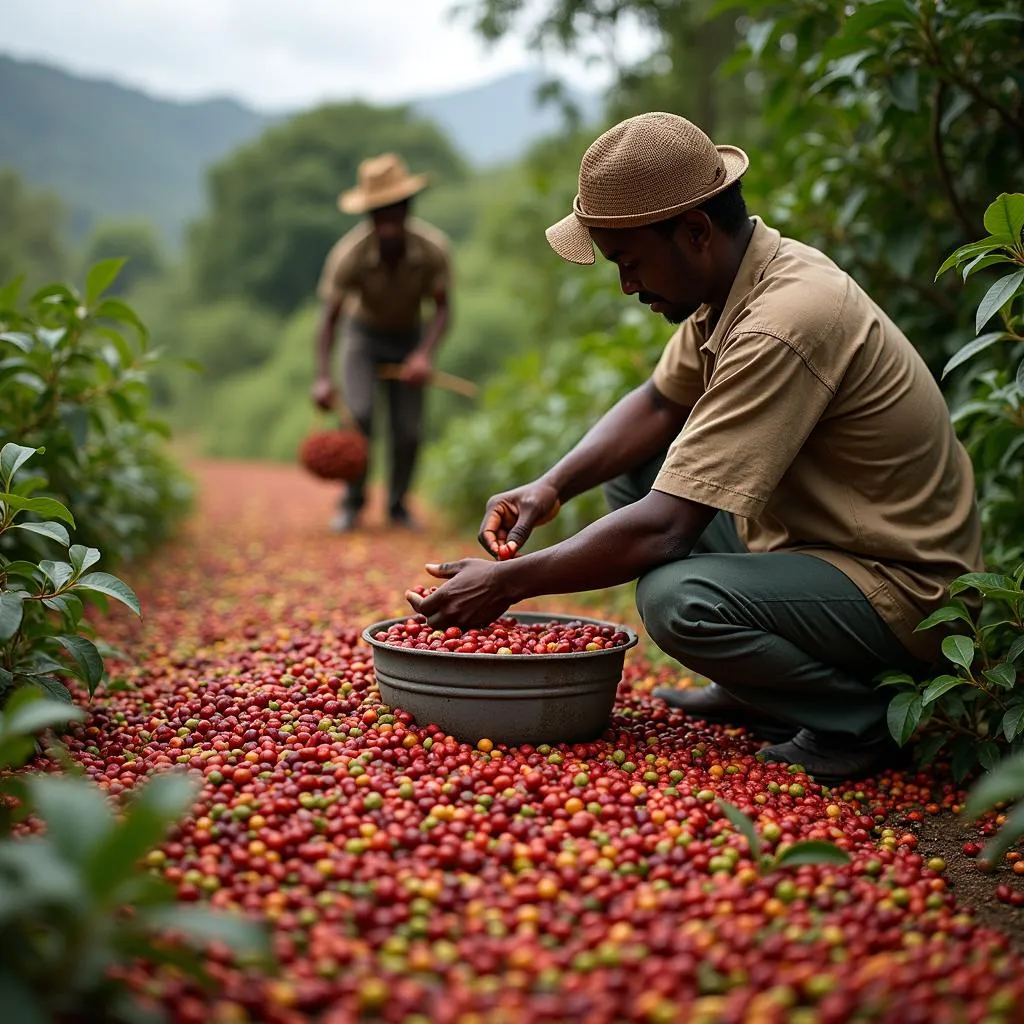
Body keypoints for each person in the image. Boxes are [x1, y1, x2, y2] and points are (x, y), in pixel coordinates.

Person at [405, 112, 983, 784]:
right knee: (636, 472)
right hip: (820, 555)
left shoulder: (783, 320)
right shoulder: (733, 282)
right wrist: (551, 485)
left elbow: (666, 529)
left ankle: (864, 721)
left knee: (677, 597)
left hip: (904, 589)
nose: (627, 286)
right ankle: (756, 688)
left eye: (630, 262)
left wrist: (507, 583)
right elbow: (657, 403)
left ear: (696, 232)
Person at [313, 153, 452, 532]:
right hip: (363, 337)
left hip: (410, 337)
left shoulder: (433, 249)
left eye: (394, 209)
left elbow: (442, 310)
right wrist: (323, 377)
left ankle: (397, 505)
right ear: (368, 216)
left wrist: (423, 355)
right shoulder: (349, 255)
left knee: (409, 429)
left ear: (407, 207)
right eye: (378, 211)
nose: (387, 220)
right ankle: (352, 502)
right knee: (357, 415)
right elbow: (329, 320)